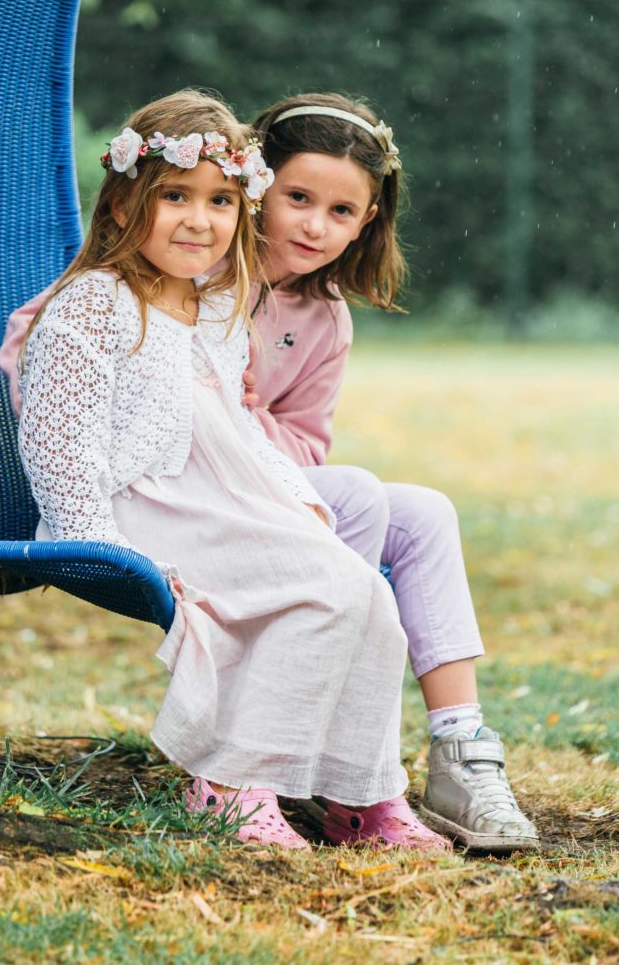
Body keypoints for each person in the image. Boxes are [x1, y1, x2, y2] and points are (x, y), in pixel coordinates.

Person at [13, 89, 448, 853]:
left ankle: (363, 795)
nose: (198, 219)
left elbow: (242, 439)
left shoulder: (215, 308)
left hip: (215, 503)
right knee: (319, 590)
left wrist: (296, 509)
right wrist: (100, 544)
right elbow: (59, 447)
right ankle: (231, 782)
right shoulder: (94, 306)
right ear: (120, 205)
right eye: (174, 196)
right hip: (137, 514)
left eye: (219, 201)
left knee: (362, 591)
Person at [243, 92, 538, 852]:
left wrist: (255, 418)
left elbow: (305, 446)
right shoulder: (206, 266)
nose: (315, 225)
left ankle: (460, 749)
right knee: (361, 495)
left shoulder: (325, 316)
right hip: (206, 497)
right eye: (297, 198)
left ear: (368, 220)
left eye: (342, 211)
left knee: (425, 511)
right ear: (256, 185)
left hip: (268, 482)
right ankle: (309, 749)